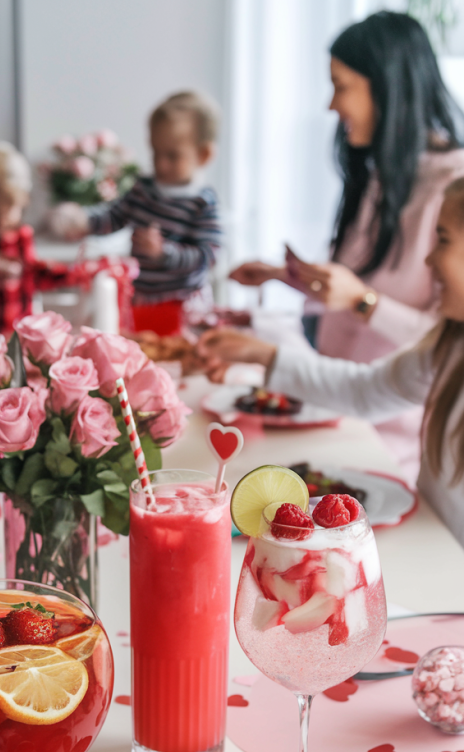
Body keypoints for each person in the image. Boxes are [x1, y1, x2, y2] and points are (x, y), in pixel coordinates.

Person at [226, 12, 464, 479]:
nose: (332, 104)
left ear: (388, 86)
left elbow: (440, 336)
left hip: (390, 439)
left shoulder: (452, 187)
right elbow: (357, 292)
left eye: (342, 85)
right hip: (338, 406)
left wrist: (361, 300)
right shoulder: (380, 175)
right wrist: (285, 279)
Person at [200, 178, 464, 548]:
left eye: (444, 239)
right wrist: (263, 354)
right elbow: (366, 390)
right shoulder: (451, 343)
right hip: (432, 553)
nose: (429, 258)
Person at [56, 91, 223, 336]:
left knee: (176, 360)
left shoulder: (203, 202)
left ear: (204, 155)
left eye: (172, 156)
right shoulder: (143, 188)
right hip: (141, 298)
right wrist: (83, 221)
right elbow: (114, 217)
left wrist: (164, 253)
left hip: (183, 304)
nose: (160, 164)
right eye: (156, 153)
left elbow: (208, 255)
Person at [0, 141, 77, 334]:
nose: (1, 219)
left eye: (9, 209)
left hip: (20, 336)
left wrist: (73, 274)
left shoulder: (21, 237)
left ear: (23, 199)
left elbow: (33, 275)